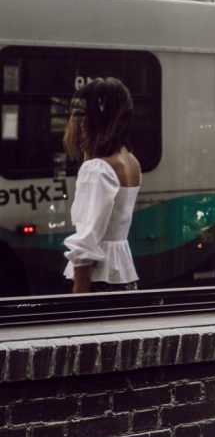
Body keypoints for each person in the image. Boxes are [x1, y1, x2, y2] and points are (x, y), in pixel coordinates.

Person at [63, 77, 141, 293]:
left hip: (98, 281)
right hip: (122, 276)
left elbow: (86, 242)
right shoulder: (131, 161)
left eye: (80, 115)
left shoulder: (97, 168)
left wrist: (79, 297)